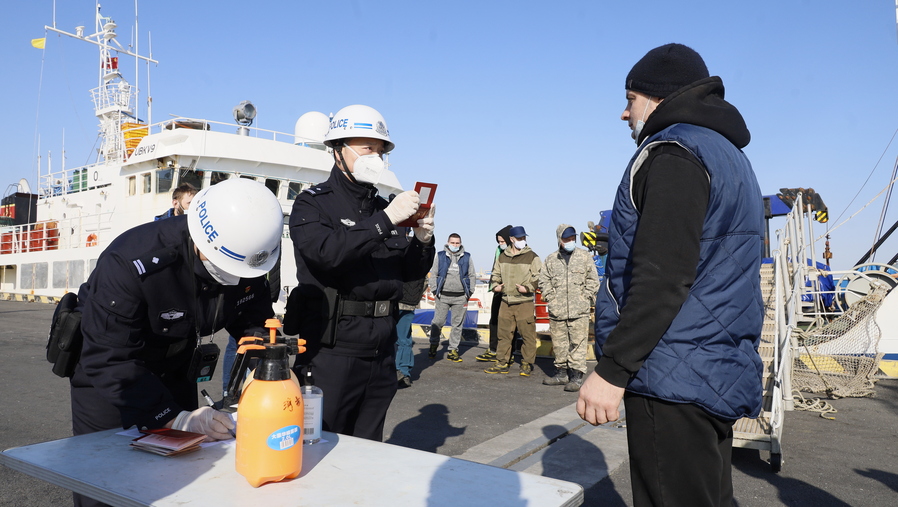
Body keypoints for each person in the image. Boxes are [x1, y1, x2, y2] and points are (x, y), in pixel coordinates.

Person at [577, 43, 764, 507]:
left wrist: (613, 369)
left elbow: (662, 276)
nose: (624, 113)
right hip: (711, 370)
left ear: (658, 98)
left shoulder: (674, 153)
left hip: (672, 375)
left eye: (631, 99)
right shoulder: (729, 157)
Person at [70, 178, 282, 507]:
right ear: (203, 241)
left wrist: (265, 367)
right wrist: (174, 418)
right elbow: (108, 358)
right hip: (112, 380)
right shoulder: (133, 261)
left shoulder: (247, 256)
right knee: (105, 485)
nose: (237, 280)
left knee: (181, 483)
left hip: (175, 369)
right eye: (229, 270)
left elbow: (252, 317)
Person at [288, 104, 435, 441]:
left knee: (369, 446)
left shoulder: (385, 208)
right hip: (332, 350)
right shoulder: (313, 203)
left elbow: (409, 272)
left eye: (380, 149)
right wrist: (383, 223)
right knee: (321, 444)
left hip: (381, 351)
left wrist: (423, 242)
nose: (377, 157)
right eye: (367, 147)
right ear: (339, 150)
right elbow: (326, 254)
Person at [539, 224, 599, 392]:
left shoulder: (584, 257)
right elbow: (543, 281)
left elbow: (593, 281)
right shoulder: (551, 259)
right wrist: (552, 298)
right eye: (567, 239)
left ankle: (576, 377)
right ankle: (561, 374)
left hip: (579, 311)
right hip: (558, 310)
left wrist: (584, 297)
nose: (570, 241)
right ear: (560, 240)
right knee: (559, 344)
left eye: (572, 238)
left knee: (578, 344)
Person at [484, 225, 541, 376]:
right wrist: (495, 286)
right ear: (512, 239)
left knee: (528, 335)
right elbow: (495, 274)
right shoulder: (502, 257)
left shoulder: (532, 257)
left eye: (524, 238)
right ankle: (502, 362)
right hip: (506, 302)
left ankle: (527, 363)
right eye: (519, 238)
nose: (522, 240)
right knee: (503, 335)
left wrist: (528, 288)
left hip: (524, 302)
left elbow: (538, 278)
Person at [427, 233, 477, 362]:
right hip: (442, 296)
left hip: (461, 297)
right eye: (453, 243)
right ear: (448, 243)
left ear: (460, 243)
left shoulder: (467, 257)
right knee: (437, 322)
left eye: (457, 243)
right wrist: (434, 289)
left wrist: (469, 292)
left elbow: (472, 275)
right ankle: (433, 345)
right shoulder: (440, 256)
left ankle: (453, 350)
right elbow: (434, 273)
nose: (455, 245)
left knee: (457, 325)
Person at [476, 225, 513, 362]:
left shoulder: (515, 252)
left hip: (510, 293)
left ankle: (509, 352)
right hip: (498, 291)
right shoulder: (498, 251)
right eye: (498, 241)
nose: (500, 244)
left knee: (509, 323)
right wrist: (494, 286)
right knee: (494, 320)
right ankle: (493, 349)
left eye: (502, 241)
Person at [396, 255, 427, 388]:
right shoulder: (418, 254)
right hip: (409, 302)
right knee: (404, 339)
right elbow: (424, 282)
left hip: (390, 302)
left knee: (385, 337)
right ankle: (403, 372)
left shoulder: (389, 250)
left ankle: (387, 370)